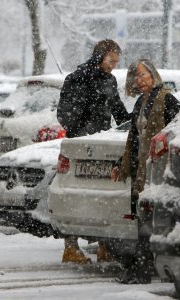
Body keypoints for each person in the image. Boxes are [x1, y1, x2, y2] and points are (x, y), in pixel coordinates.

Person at [57, 39, 132, 264]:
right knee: (74, 195)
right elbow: (64, 114)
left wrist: (130, 125)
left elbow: (117, 109)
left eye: (116, 62)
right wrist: (80, 129)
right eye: (111, 61)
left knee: (102, 196)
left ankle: (104, 246)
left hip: (102, 144)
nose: (113, 66)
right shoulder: (76, 79)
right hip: (79, 144)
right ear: (99, 56)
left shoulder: (109, 80)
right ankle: (70, 247)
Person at [111, 58, 180, 283]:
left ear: (153, 75)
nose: (139, 80)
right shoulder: (141, 102)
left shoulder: (167, 100)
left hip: (157, 169)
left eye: (143, 75)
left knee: (151, 219)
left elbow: (176, 133)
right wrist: (119, 164)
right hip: (141, 169)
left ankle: (143, 270)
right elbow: (133, 138)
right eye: (136, 76)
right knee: (141, 219)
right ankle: (141, 268)